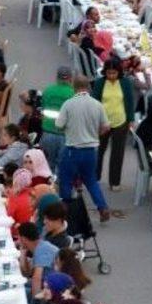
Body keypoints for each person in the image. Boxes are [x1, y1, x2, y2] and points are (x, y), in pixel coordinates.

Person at [56, 75, 111, 222]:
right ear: (88, 87)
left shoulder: (68, 104)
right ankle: (102, 207)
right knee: (91, 181)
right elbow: (106, 126)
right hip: (91, 150)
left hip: (72, 150)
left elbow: (59, 125)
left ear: (74, 87)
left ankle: (66, 210)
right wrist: (96, 134)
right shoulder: (97, 105)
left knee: (65, 180)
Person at [92, 56, 134, 191]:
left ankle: (115, 182)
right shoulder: (99, 83)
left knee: (118, 153)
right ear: (105, 72)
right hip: (102, 122)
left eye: (114, 73)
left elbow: (129, 101)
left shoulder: (125, 83)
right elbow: (95, 102)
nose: (111, 76)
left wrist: (130, 119)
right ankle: (94, 178)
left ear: (119, 72)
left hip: (120, 121)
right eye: (109, 73)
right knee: (99, 151)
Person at [18, 222, 58, 296]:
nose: (18, 241)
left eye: (19, 238)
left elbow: (37, 278)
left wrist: (36, 303)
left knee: (18, 293)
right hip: (45, 283)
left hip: (53, 289)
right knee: (17, 285)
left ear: (23, 239)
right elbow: (27, 273)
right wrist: (23, 253)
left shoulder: (42, 250)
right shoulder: (39, 246)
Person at [6, 168, 34, 236]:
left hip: (18, 233)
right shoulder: (34, 193)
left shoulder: (14, 198)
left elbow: (9, 219)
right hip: (31, 232)